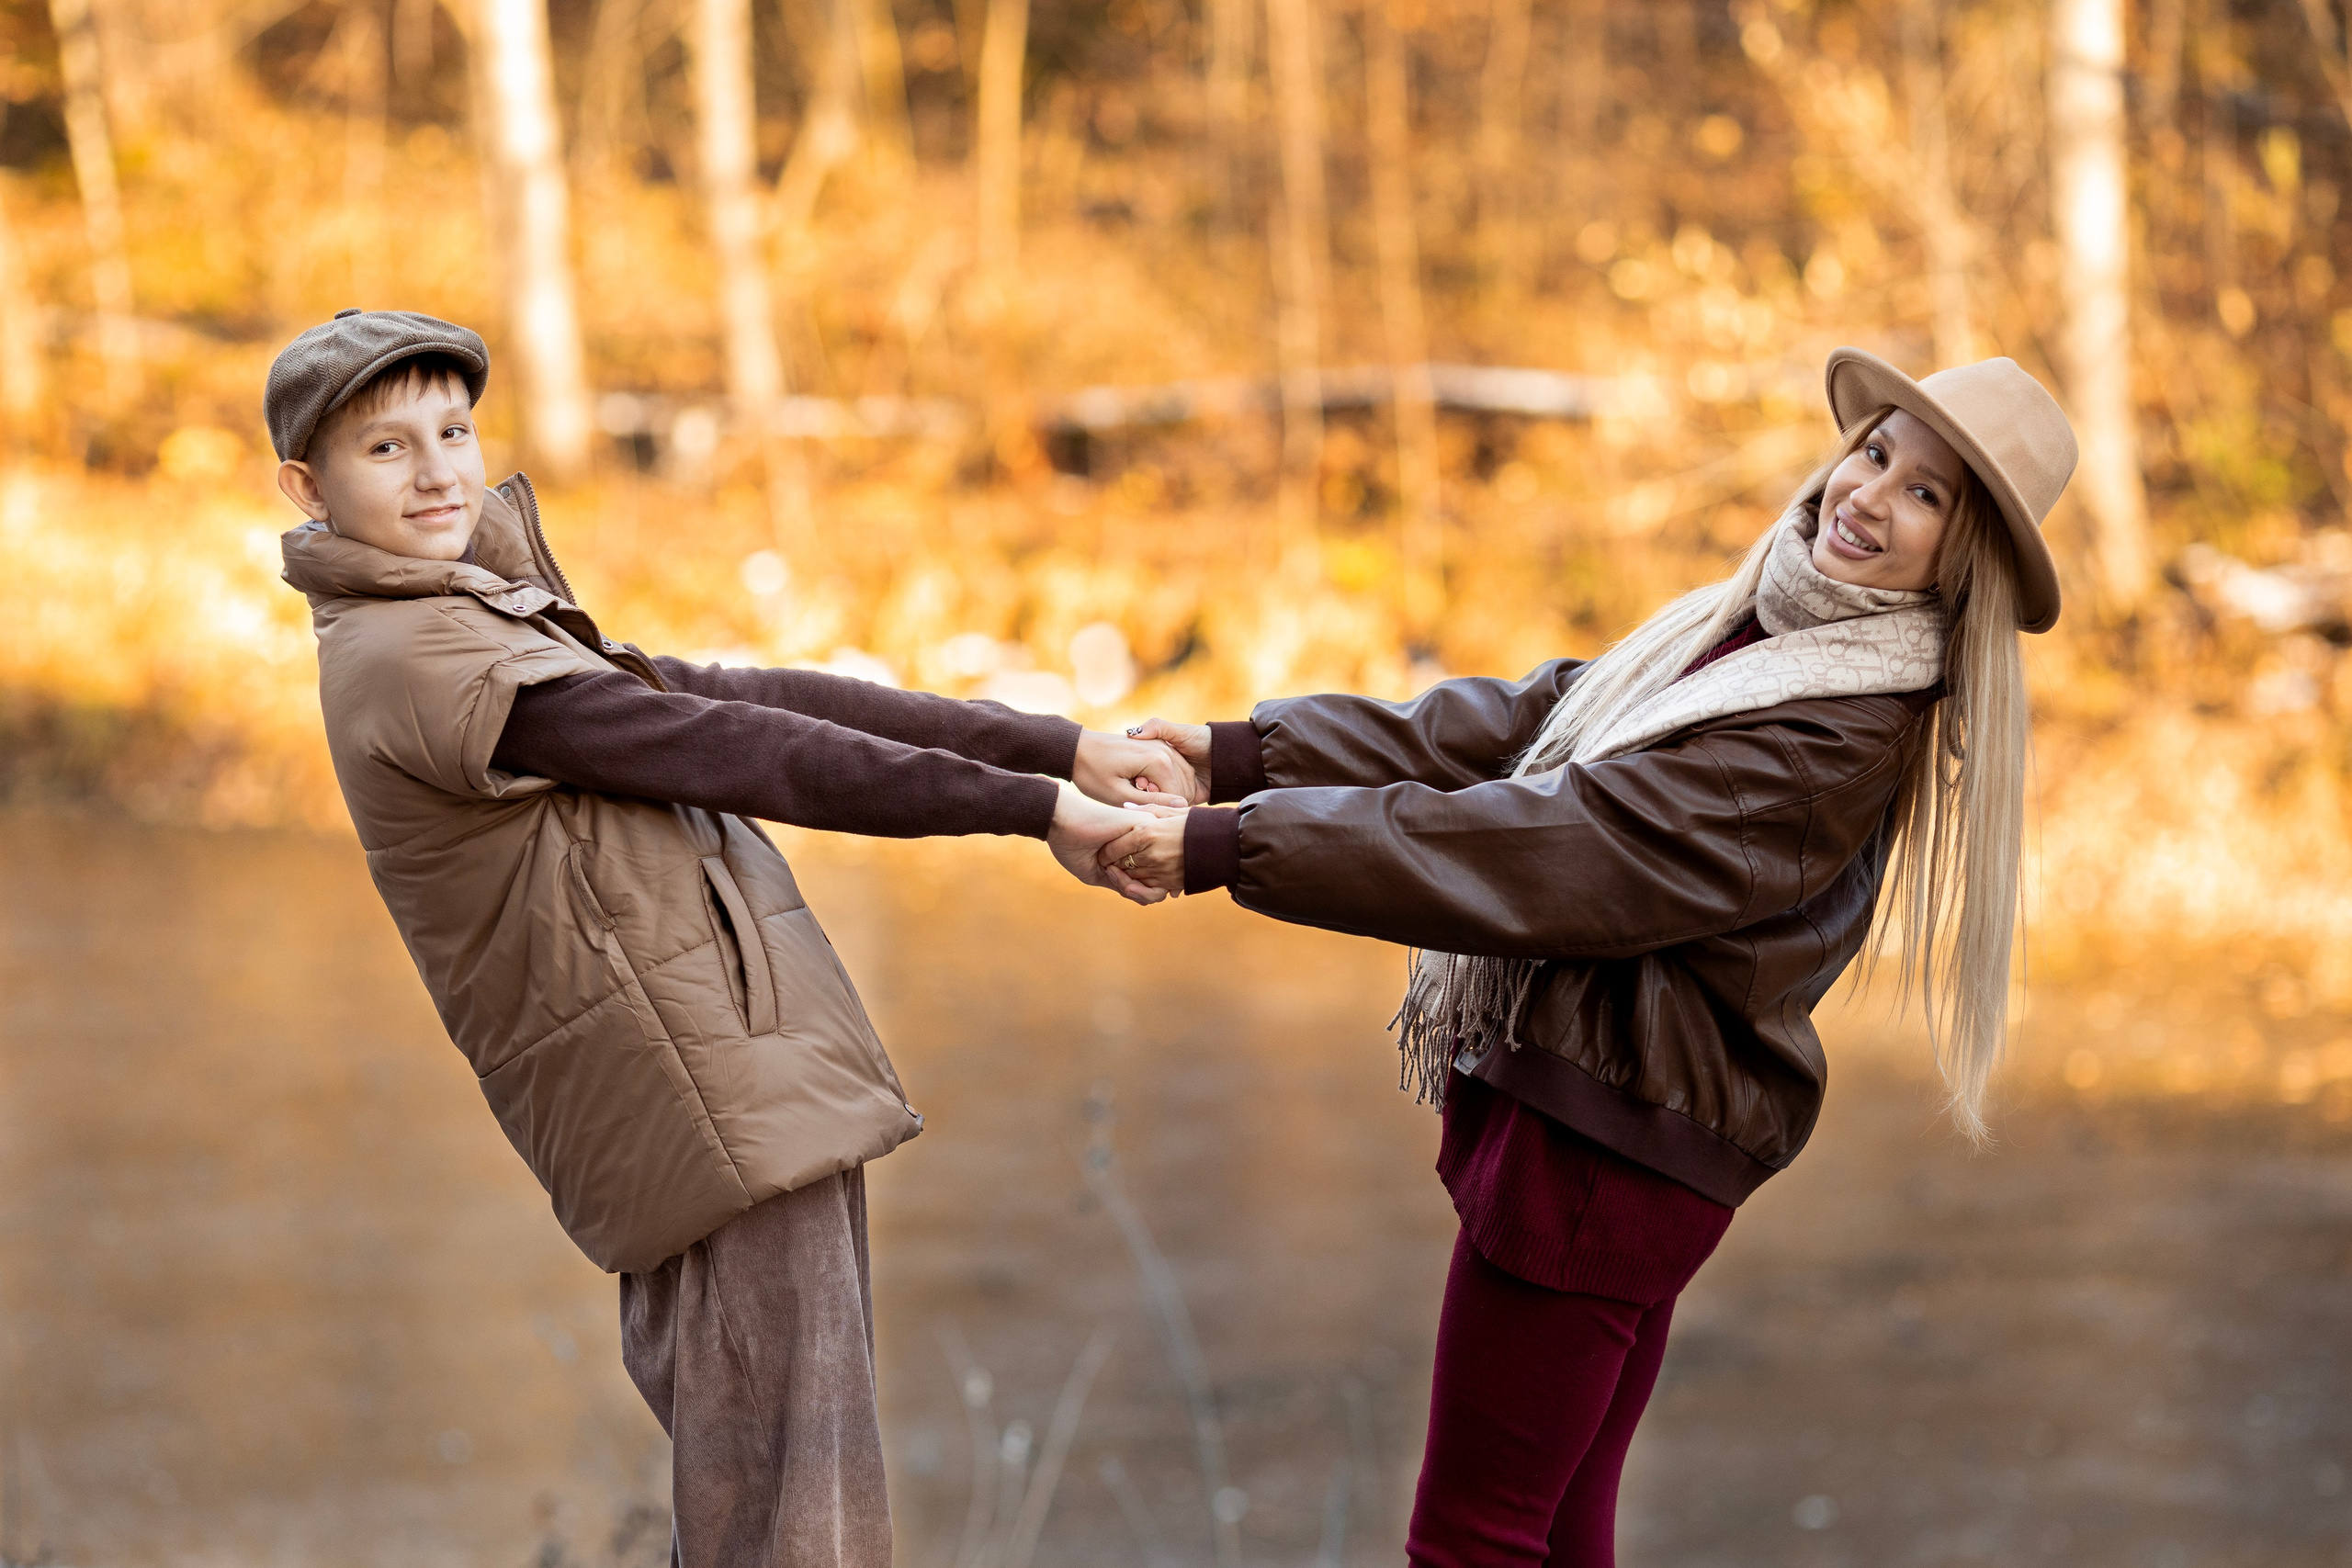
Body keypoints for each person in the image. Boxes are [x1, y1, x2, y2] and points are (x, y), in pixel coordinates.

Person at [1098, 349, 2077, 1566]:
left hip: (1604, 1158)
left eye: (1927, 494)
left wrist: (1225, 847)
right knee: (1555, 1535)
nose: (1870, 495)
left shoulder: (1831, 729)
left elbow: (1556, 846)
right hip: (1618, 1131)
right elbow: (1523, 725)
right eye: (1875, 453)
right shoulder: (1750, 631)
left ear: (1962, 561)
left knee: (1470, 1545)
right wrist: (1244, 754)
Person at [267, 309, 1194, 1568]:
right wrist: (1036, 813)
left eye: (454, 429)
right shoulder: (417, 658)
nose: (437, 470)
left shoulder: (477, 617)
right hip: (709, 1124)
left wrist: (1055, 745)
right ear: (306, 488)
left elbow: (749, 697)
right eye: (387, 448)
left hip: (740, 1106)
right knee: (791, 1535)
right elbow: (743, 753)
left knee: (797, 1520)